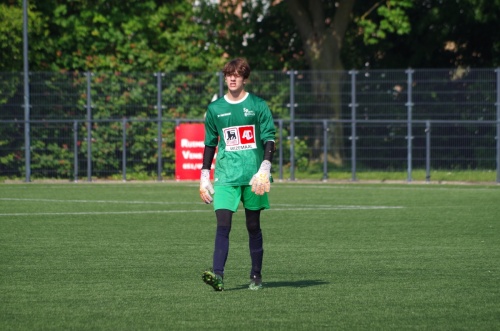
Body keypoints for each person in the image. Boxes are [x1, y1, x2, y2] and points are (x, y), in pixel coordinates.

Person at [199, 58, 276, 291]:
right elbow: (210, 143)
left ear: (245, 78)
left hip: (254, 177)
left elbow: (269, 138)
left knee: (253, 226)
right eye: (228, 74)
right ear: (225, 78)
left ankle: (256, 275)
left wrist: (265, 167)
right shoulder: (215, 109)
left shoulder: (258, 105)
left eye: (237, 74)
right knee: (223, 225)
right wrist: (204, 174)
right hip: (226, 176)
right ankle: (218, 275)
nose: (232, 78)